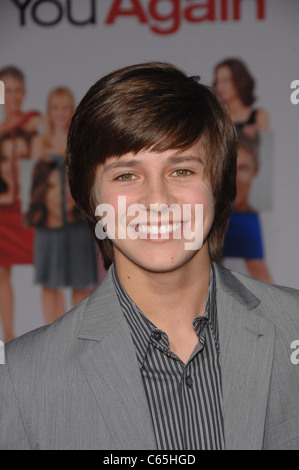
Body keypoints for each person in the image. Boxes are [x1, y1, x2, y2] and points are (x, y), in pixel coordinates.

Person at [0, 62, 298, 450]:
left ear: (219, 184)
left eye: (182, 170)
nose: (157, 201)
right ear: (89, 198)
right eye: (126, 175)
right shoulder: (21, 377)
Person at [28, 87, 98, 324]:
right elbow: (35, 185)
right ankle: (52, 335)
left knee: (80, 281)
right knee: (50, 283)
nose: (60, 113)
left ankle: (73, 338)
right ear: (50, 111)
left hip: (78, 222)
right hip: (49, 222)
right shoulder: (40, 140)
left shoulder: (81, 141)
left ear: (72, 110)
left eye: (65, 108)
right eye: (56, 108)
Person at [0, 66, 43, 343]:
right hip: (2, 210)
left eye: (17, 89)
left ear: (25, 92)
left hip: (29, 208)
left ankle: (49, 333)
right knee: (2, 273)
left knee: (48, 268)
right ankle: (10, 337)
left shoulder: (34, 122)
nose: (14, 95)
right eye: (7, 89)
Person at [222, 133, 273, 283]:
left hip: (244, 218)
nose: (235, 177)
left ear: (255, 170)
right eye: (230, 169)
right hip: (219, 216)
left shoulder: (249, 220)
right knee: (212, 268)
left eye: (243, 168)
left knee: (258, 267)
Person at [213, 57, 270, 136]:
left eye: (226, 80)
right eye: (217, 81)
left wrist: (257, 136)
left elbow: (266, 146)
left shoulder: (258, 116)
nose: (220, 86)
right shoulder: (216, 117)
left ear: (239, 81)